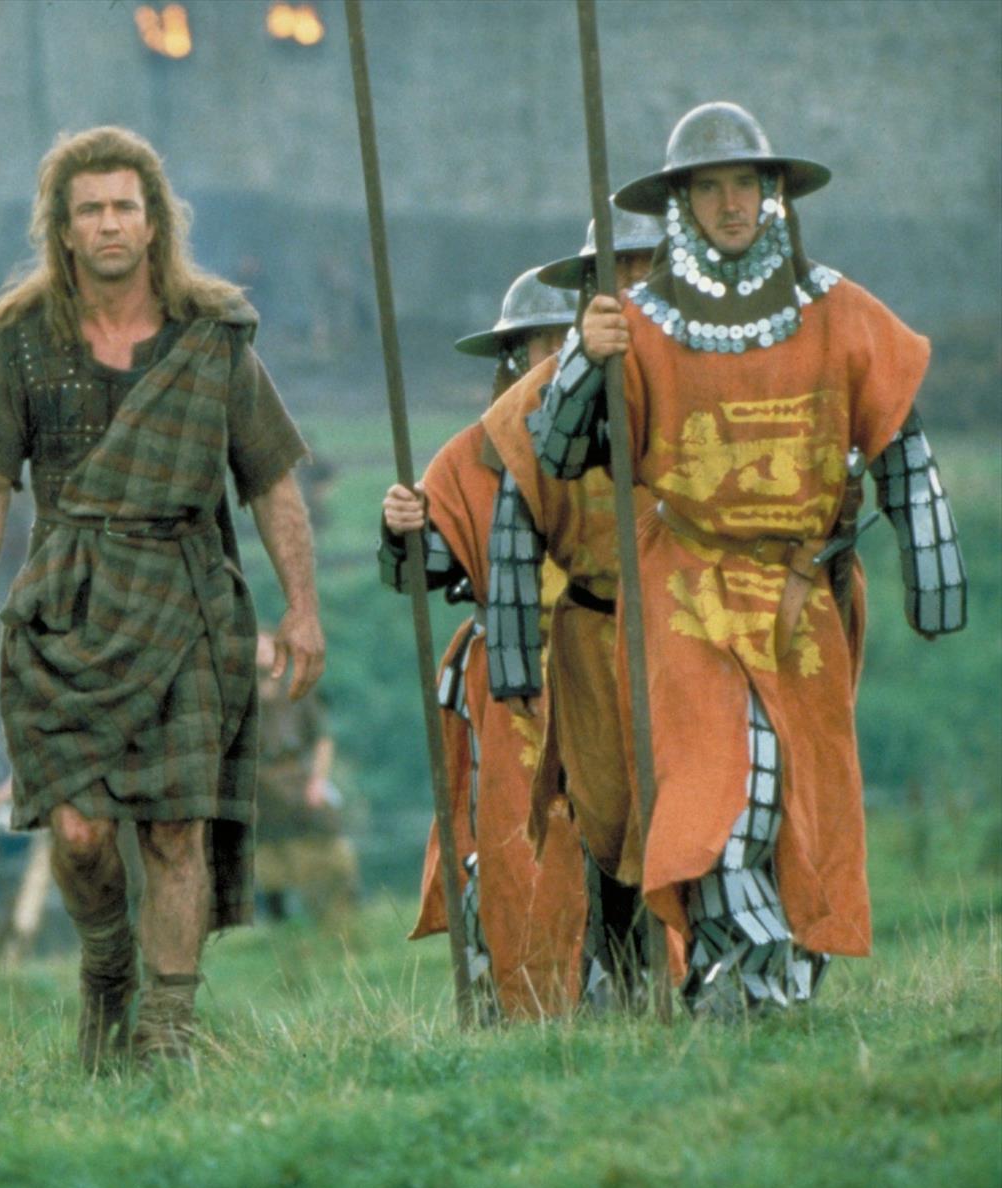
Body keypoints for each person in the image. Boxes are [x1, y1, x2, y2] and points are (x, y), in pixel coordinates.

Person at [534, 102, 966, 1015]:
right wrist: (582, 358)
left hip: (799, 594)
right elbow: (562, 453)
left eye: (744, 184)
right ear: (681, 204)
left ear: (772, 193)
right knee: (722, 786)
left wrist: (932, 570)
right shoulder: (638, 322)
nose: (729, 204)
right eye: (709, 188)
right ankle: (750, 966)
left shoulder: (838, 311)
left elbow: (898, 438)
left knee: (798, 798)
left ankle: (767, 979)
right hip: (685, 590)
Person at [0, 126, 324, 1068]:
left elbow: (272, 481)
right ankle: (108, 964)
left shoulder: (211, 341)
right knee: (78, 834)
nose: (109, 224)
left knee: (174, 827)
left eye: (124, 207)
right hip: (65, 611)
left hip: (188, 600)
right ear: (63, 230)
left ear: (153, 223)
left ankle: (166, 1034)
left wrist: (302, 608)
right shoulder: (22, 346)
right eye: (90, 211)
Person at [379, 267, 587, 1021]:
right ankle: (519, 1006)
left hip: (610, 661)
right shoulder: (469, 457)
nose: (554, 355)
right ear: (512, 353)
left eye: (568, 340)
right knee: (510, 845)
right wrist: (402, 529)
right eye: (540, 341)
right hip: (509, 685)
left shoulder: (629, 436)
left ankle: (642, 992)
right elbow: (423, 571)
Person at [476, 211, 666, 1008]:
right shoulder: (531, 409)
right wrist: (514, 664)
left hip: (692, 620)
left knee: (707, 796)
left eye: (648, 264)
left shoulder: (703, 363)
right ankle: (621, 976)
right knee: (607, 815)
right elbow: (508, 541)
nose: (634, 282)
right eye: (619, 268)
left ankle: (717, 975)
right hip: (591, 635)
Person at [250, 631, 357, 932]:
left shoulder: (298, 690)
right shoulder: (238, 700)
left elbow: (322, 739)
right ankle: (278, 921)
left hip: (300, 778)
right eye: (254, 650)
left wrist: (318, 781)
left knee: (327, 838)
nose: (260, 655)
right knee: (264, 853)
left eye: (266, 649)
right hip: (259, 785)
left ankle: (340, 913)